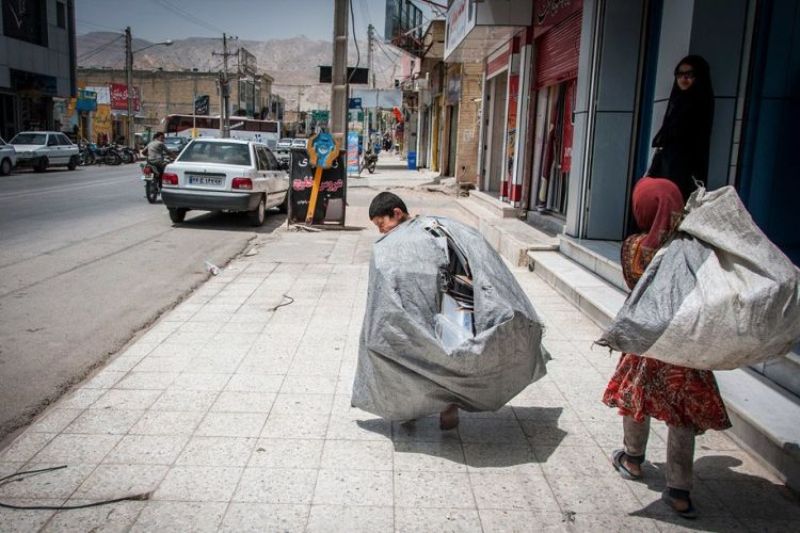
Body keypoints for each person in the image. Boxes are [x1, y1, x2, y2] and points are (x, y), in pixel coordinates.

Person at [603, 177, 731, 519]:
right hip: (685, 347)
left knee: (635, 401)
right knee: (682, 415)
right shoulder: (696, 251)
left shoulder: (634, 247)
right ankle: (679, 491)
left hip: (647, 344)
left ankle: (632, 458)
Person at [647, 55, 714, 201]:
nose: (683, 79)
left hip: (686, 172)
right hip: (667, 168)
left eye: (689, 75)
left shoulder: (699, 105)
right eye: (679, 75)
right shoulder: (677, 102)